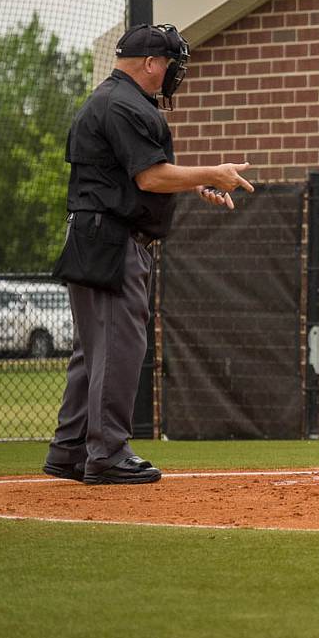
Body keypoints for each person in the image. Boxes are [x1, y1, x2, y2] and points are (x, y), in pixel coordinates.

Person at [45, 24, 253, 485]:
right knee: (119, 346)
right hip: (112, 242)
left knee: (95, 350)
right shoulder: (125, 104)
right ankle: (108, 453)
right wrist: (215, 173)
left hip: (94, 237)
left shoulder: (110, 98)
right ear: (151, 63)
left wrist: (195, 182)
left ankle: (71, 449)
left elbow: (132, 176)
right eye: (170, 64)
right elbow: (150, 178)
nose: (172, 73)